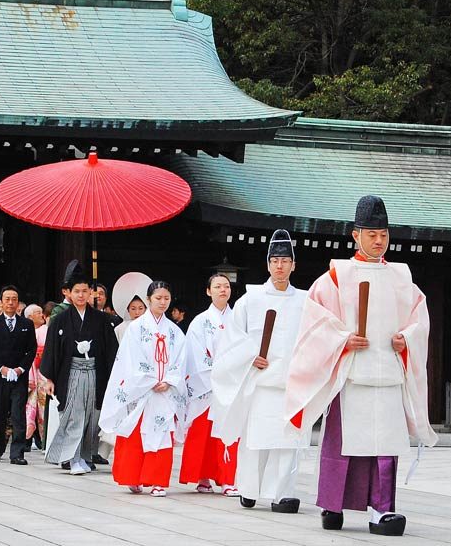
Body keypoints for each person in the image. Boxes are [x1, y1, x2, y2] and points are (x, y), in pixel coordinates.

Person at [285, 195, 437, 536]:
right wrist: (341, 339)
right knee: (343, 442)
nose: (379, 240)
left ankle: (381, 510)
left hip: (388, 372)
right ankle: (332, 504)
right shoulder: (337, 276)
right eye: (371, 234)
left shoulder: (401, 276)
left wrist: (407, 339)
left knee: (385, 446)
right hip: (352, 373)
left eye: (383, 233)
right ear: (355, 235)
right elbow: (316, 319)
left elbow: (418, 318)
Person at [211, 231, 310, 512]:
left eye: (285, 260)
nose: (280, 266)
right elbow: (231, 343)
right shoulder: (249, 300)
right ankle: (249, 489)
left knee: (287, 443)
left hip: (292, 385)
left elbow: (314, 340)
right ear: (267, 265)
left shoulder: (305, 302)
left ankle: (283, 494)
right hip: (261, 382)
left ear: (294, 265)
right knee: (257, 440)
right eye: (275, 260)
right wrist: (249, 358)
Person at [99, 281, 187, 497]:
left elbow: (180, 361)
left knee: (162, 434)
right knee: (136, 433)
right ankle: (134, 477)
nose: (163, 302)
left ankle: (158, 481)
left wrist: (169, 380)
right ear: (149, 300)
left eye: (166, 298)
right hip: (141, 391)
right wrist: (149, 381)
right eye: (158, 298)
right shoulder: (135, 328)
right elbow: (129, 360)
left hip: (165, 390)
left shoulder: (174, 331)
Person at [41, 265, 119, 475]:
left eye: (85, 291)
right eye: (77, 291)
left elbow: (111, 350)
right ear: (68, 293)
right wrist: (49, 378)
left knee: (92, 416)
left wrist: (115, 378)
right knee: (74, 415)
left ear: (91, 293)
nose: (81, 295)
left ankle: (85, 456)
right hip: (71, 372)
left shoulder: (102, 320)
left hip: (95, 371)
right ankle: (71, 458)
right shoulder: (59, 319)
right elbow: (51, 350)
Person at [179, 274, 239, 497]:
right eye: (217, 286)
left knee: (228, 433)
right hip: (206, 385)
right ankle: (202, 477)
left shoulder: (239, 318)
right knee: (203, 433)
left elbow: (244, 349)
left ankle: (227, 479)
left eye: (226, 286)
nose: (223, 290)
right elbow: (194, 354)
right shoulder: (200, 321)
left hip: (231, 384)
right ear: (208, 291)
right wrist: (215, 374)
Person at [0, 285, 38, 464]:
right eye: (7, 299)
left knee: (18, 415)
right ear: (1, 302)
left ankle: (18, 453)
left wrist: (21, 369)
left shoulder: (26, 324)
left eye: (14, 299)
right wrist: (1, 368)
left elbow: (31, 350)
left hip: (19, 377)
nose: (11, 302)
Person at [24, 303, 48, 450]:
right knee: (29, 407)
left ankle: (43, 438)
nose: (42, 315)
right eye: (38, 313)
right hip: (29, 373)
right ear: (30, 317)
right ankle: (27, 439)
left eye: (41, 312)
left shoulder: (46, 331)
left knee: (44, 408)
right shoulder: (26, 331)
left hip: (43, 374)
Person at [112, 272, 153, 342]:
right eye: (133, 309)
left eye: (140, 308)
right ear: (128, 310)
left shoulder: (152, 326)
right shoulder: (119, 329)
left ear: (145, 309)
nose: (137, 312)